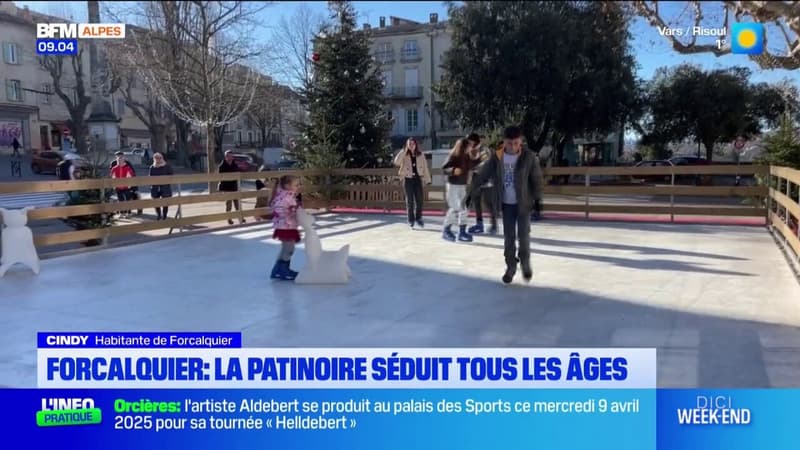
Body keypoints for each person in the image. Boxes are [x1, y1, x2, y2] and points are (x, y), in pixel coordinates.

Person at [469, 125, 544, 284]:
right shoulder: (497, 157)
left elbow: (536, 179)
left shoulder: (529, 157)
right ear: (504, 142)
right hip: (506, 205)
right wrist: (471, 191)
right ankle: (511, 267)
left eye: (516, 143)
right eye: (510, 143)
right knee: (509, 238)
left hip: (523, 204)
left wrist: (537, 201)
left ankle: (525, 263)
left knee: (523, 237)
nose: (513, 147)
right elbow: (483, 175)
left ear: (520, 141)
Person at [441, 138, 481, 242]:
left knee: (464, 208)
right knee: (455, 207)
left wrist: (479, 158)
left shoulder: (467, 157)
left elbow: (472, 165)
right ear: (463, 146)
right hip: (452, 185)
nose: (470, 148)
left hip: (462, 185)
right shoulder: (453, 156)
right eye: (468, 146)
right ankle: (446, 230)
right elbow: (444, 168)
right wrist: (453, 170)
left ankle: (462, 232)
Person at [393, 137, 431, 229]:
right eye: (409, 144)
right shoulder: (404, 154)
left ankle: (418, 218)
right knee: (409, 201)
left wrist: (428, 180)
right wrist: (403, 151)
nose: (411, 146)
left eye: (413, 144)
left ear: (416, 145)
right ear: (407, 145)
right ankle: (411, 220)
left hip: (418, 179)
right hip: (407, 179)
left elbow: (425, 168)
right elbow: (396, 162)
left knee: (419, 200)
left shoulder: (421, 155)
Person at [269, 175, 301, 281]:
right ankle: (283, 270)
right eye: (296, 185)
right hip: (285, 226)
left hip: (286, 225)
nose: (298, 186)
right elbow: (278, 208)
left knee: (285, 248)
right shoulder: (284, 197)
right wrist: (291, 212)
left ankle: (277, 270)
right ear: (287, 186)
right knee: (289, 249)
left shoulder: (287, 196)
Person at [466, 133, 498, 235]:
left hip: (486, 179)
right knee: (476, 202)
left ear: (474, 140)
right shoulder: (471, 150)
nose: (469, 143)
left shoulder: (484, 149)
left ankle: (494, 225)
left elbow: (485, 164)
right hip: (476, 179)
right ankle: (479, 224)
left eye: (470, 141)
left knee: (488, 203)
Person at [218, 150, 245, 225]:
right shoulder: (222, 166)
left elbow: (238, 174)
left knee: (237, 203)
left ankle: (240, 217)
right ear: (225, 157)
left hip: (234, 186)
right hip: (227, 187)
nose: (230, 157)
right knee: (229, 204)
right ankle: (229, 218)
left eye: (231, 156)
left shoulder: (234, 165)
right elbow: (221, 177)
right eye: (229, 156)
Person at [149, 152, 174, 220]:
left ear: (162, 158)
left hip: (165, 187)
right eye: (156, 158)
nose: (158, 159)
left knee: (165, 202)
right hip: (155, 187)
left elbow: (171, 175)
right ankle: (159, 214)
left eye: (160, 158)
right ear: (154, 159)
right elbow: (149, 177)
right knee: (156, 202)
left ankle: (164, 215)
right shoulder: (152, 167)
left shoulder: (167, 166)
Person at [110, 151, 135, 218]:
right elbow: (113, 177)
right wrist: (114, 186)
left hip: (126, 187)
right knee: (120, 200)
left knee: (127, 200)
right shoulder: (114, 168)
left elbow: (130, 176)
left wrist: (129, 185)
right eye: (118, 158)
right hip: (118, 187)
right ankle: (121, 213)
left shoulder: (127, 167)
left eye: (121, 158)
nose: (119, 159)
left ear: (123, 158)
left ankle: (129, 212)